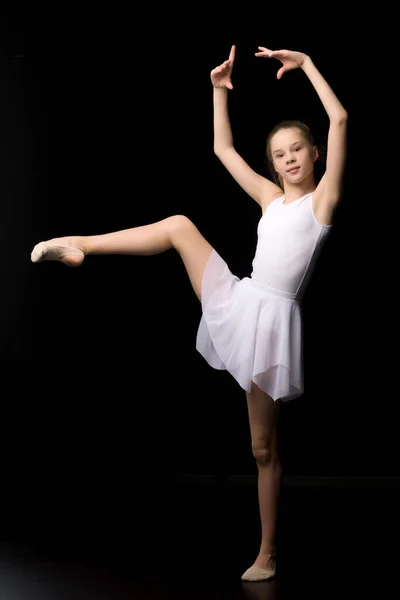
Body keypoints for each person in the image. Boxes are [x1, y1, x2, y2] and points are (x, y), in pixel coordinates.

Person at [31, 44, 347, 582]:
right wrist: (218, 91)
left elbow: (339, 117)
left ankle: (267, 552)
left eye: (297, 150)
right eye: (279, 154)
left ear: (314, 154)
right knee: (179, 225)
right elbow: (223, 150)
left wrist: (308, 64)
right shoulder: (271, 199)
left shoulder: (322, 205)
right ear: (273, 165)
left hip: (272, 324)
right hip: (241, 298)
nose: (289, 159)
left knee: (262, 446)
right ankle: (74, 242)